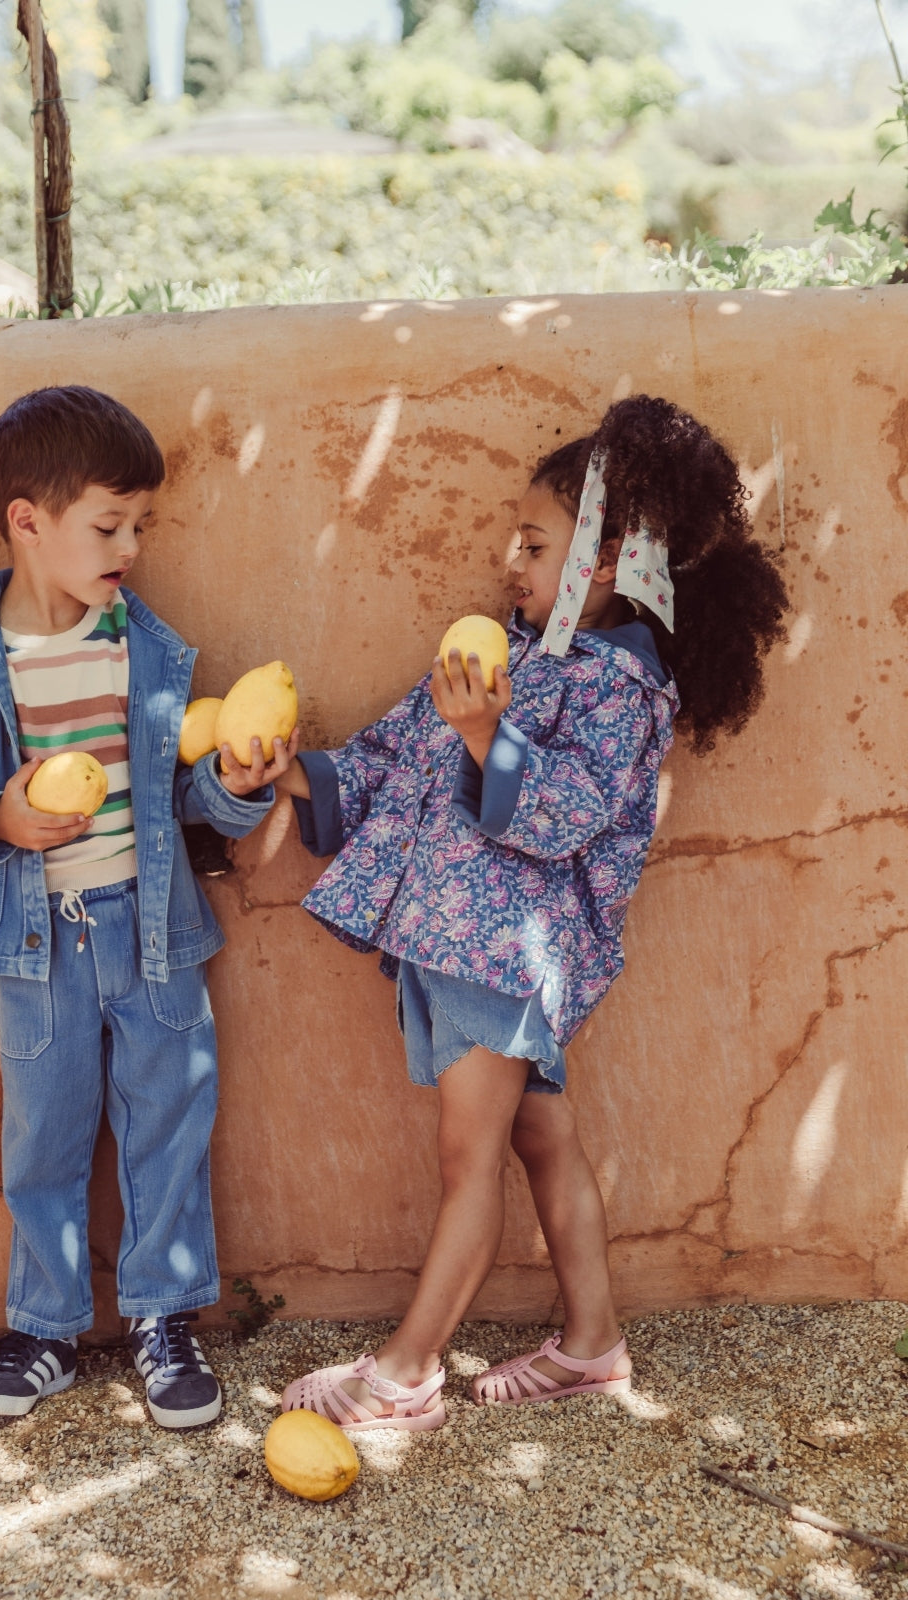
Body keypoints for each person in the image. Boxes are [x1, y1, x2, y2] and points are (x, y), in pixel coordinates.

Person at [275, 394, 789, 1430]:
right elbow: (396, 753)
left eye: (534, 539)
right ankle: (593, 1343)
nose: (511, 557)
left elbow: (564, 812)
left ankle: (406, 1373)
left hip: (501, 952)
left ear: (600, 560)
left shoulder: (622, 689)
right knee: (541, 1137)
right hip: (471, 943)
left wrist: (486, 737)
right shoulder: (509, 653)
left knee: (471, 1158)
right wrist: (300, 776)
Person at [0, 386, 295, 1427]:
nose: (131, 548)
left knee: (168, 1123)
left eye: (140, 525)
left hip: (152, 932)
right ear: (28, 521)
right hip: (36, 944)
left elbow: (177, 800)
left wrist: (237, 784)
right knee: (45, 1141)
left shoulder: (141, 650)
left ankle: (162, 1317)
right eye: (109, 526)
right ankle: (46, 1327)